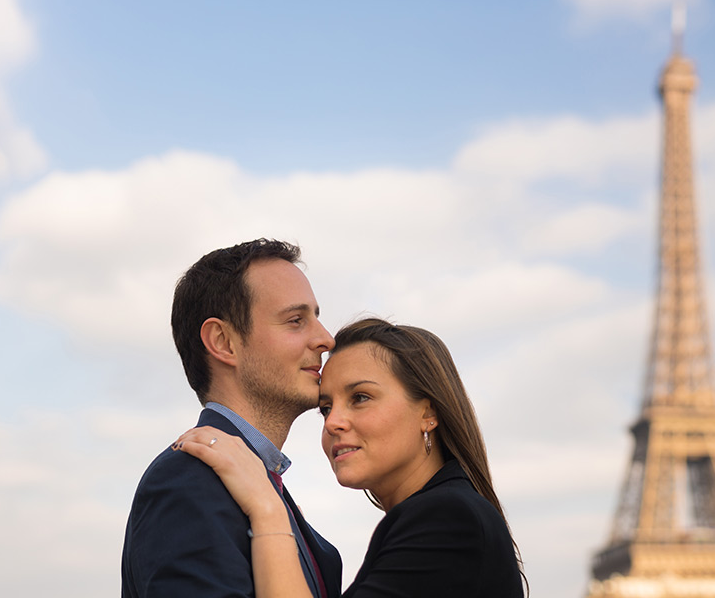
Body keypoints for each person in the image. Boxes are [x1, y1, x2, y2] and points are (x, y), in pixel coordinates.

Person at [177, 317, 527, 597]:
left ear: (428, 413)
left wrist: (267, 508)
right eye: (325, 408)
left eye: (360, 397)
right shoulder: (433, 515)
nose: (333, 423)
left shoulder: (450, 518)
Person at [121, 239, 342, 598]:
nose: (326, 339)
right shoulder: (187, 484)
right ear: (223, 342)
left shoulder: (261, 491)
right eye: (296, 320)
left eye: (316, 317)